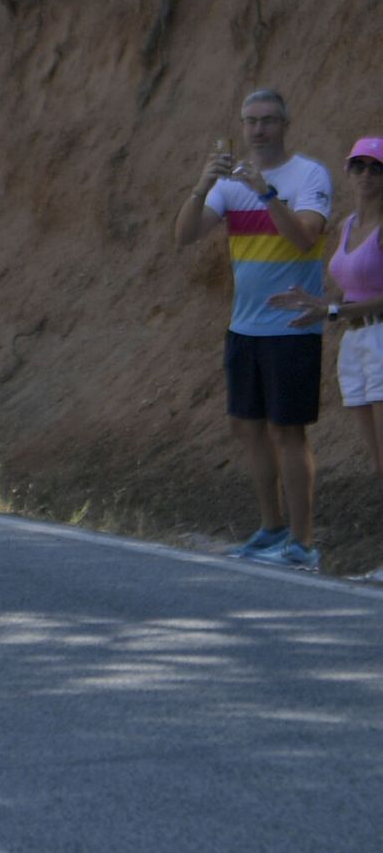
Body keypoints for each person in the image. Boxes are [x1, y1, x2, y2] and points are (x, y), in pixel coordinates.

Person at [175, 88, 333, 570]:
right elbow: (183, 236)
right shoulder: (229, 183)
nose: (258, 129)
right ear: (241, 127)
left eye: (268, 120)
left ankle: (302, 544)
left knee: (289, 430)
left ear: (285, 125)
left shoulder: (308, 174)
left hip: (292, 326)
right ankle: (271, 529)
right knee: (246, 426)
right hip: (244, 325)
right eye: (250, 121)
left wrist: (266, 192)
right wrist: (202, 187)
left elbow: (306, 236)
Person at [271, 136, 383, 483]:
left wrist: (332, 311)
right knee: (378, 462)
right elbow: (352, 284)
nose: (366, 174)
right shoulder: (347, 224)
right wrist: (323, 305)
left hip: (379, 336)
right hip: (354, 342)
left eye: (377, 168)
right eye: (359, 165)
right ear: (348, 170)